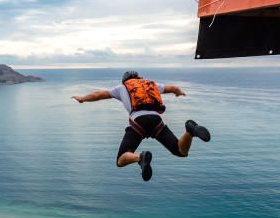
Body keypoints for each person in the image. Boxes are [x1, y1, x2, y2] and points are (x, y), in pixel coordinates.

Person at [72, 71, 211, 181]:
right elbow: (173, 88)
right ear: (139, 77)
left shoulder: (122, 87)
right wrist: (178, 92)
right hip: (156, 120)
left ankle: (140, 157)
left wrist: (82, 99)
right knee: (180, 151)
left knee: (121, 160)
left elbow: (99, 94)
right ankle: (190, 131)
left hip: (138, 122)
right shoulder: (151, 84)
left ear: (124, 80)